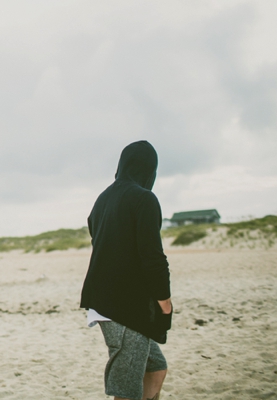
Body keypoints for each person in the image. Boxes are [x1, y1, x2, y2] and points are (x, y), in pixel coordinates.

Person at [80, 141, 172, 400]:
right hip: (124, 308)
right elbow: (153, 258)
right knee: (127, 389)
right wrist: (165, 303)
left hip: (106, 301)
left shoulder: (102, 200)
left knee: (156, 368)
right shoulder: (144, 198)